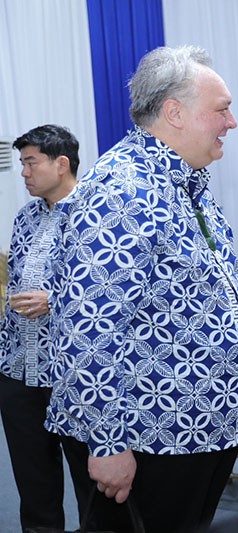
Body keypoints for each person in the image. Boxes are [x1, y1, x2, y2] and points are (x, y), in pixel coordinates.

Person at [46, 46, 238, 533]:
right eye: (222, 108)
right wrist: (107, 442)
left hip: (193, 429)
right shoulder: (122, 190)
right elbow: (88, 325)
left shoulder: (185, 183)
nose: (232, 122)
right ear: (175, 113)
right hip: (152, 434)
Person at [0, 125, 88, 531]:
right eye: (22, 164)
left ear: (62, 164)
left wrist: (55, 299)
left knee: (93, 483)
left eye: (31, 162)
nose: (24, 172)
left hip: (76, 374)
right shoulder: (24, 218)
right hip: (19, 370)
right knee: (34, 485)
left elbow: (117, 287)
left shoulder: (97, 216)